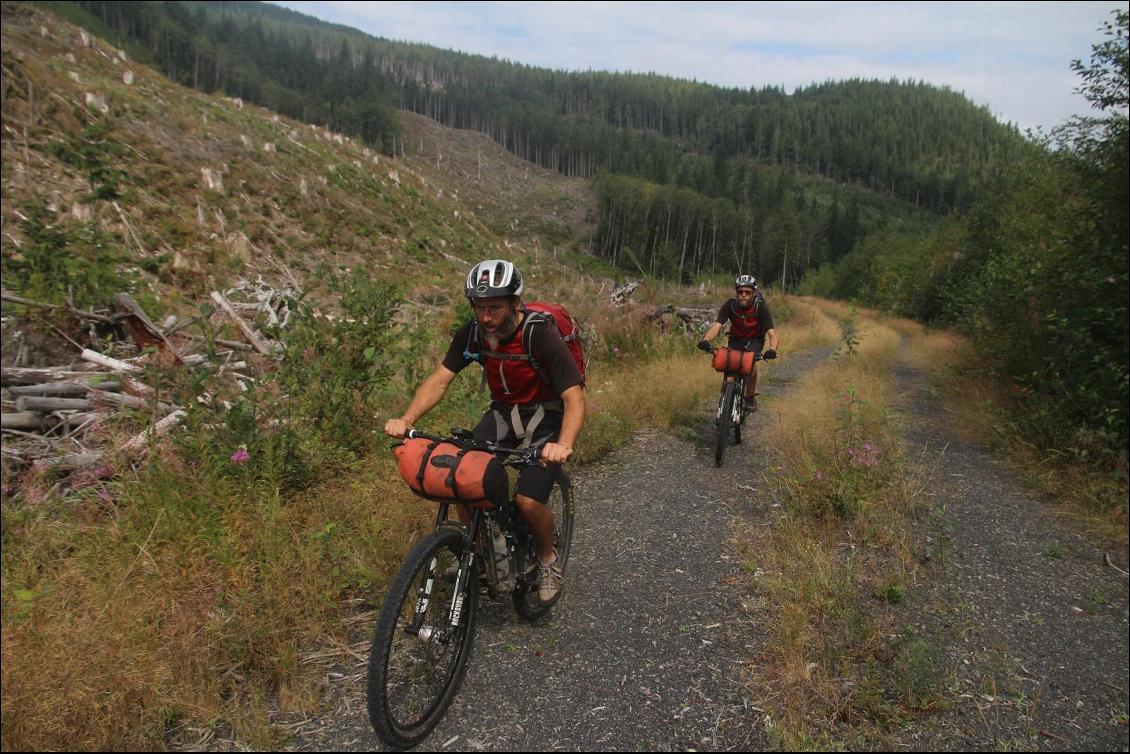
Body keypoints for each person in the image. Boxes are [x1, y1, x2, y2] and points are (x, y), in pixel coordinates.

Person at [384, 259, 585, 605]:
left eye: (494, 307)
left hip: (546, 417)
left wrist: (563, 445)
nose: (486, 316)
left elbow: (574, 397)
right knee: (464, 478)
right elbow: (441, 379)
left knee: (527, 500)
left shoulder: (540, 334)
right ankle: (482, 552)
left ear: (515, 304)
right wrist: (406, 418)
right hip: (503, 414)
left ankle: (548, 559)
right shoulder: (475, 332)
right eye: (480, 307)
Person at [697, 274, 779, 411]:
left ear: (753, 293)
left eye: (747, 292)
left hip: (755, 340)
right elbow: (717, 326)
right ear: (736, 293)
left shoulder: (761, 307)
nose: (743, 295)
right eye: (740, 292)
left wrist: (772, 349)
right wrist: (705, 340)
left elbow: (772, 333)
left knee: (750, 363)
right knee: (730, 371)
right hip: (736, 339)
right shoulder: (730, 305)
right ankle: (725, 405)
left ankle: (749, 397)